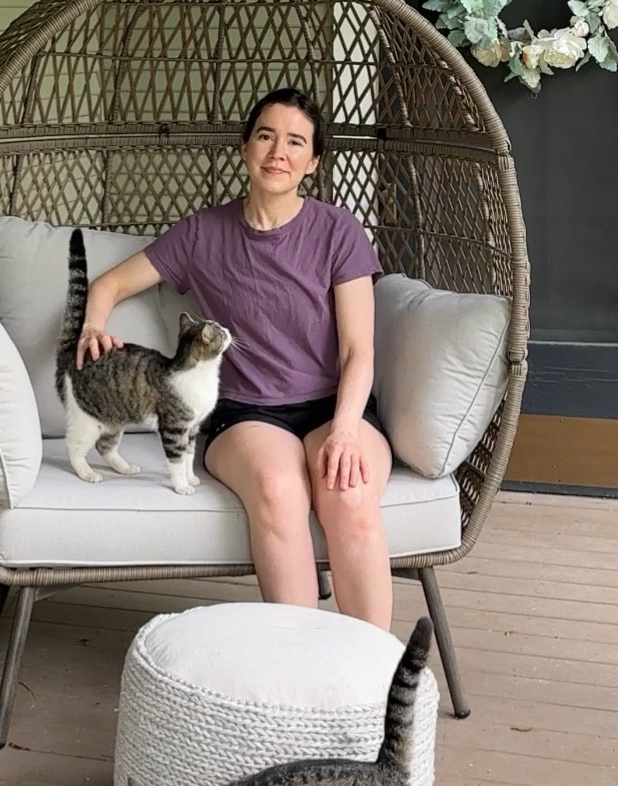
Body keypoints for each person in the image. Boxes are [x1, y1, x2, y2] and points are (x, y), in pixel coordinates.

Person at [75, 87, 393, 629]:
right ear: (245, 147)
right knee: (277, 488)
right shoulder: (202, 233)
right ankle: (302, 667)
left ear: (312, 162)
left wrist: (343, 432)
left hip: (334, 409)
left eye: (296, 142)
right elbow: (109, 283)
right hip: (245, 414)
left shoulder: (338, 231)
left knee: (349, 490)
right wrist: (93, 324)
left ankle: (372, 676)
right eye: (266, 136)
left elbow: (358, 351)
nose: (278, 152)